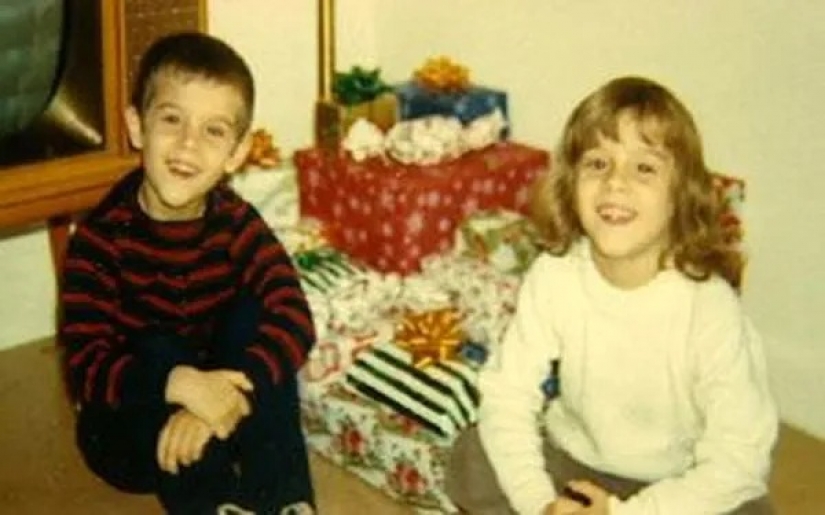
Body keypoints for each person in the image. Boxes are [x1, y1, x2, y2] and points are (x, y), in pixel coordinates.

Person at [445, 76, 778, 515]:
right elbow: (508, 395)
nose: (615, 183)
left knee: (749, 505)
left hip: (674, 480)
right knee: (473, 457)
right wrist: (540, 504)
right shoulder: (555, 275)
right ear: (570, 185)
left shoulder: (710, 308)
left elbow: (740, 455)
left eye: (645, 168)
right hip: (573, 463)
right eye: (598, 163)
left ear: (681, 197)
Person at [59, 32, 316, 515]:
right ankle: (208, 505)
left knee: (256, 314)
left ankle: (282, 500)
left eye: (213, 131)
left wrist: (217, 398)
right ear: (137, 127)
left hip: (221, 405)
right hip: (127, 431)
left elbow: (296, 315)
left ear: (236, 153)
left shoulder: (236, 223)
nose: (188, 144)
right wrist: (179, 385)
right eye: (172, 120)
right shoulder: (97, 240)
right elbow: (86, 365)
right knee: (159, 345)